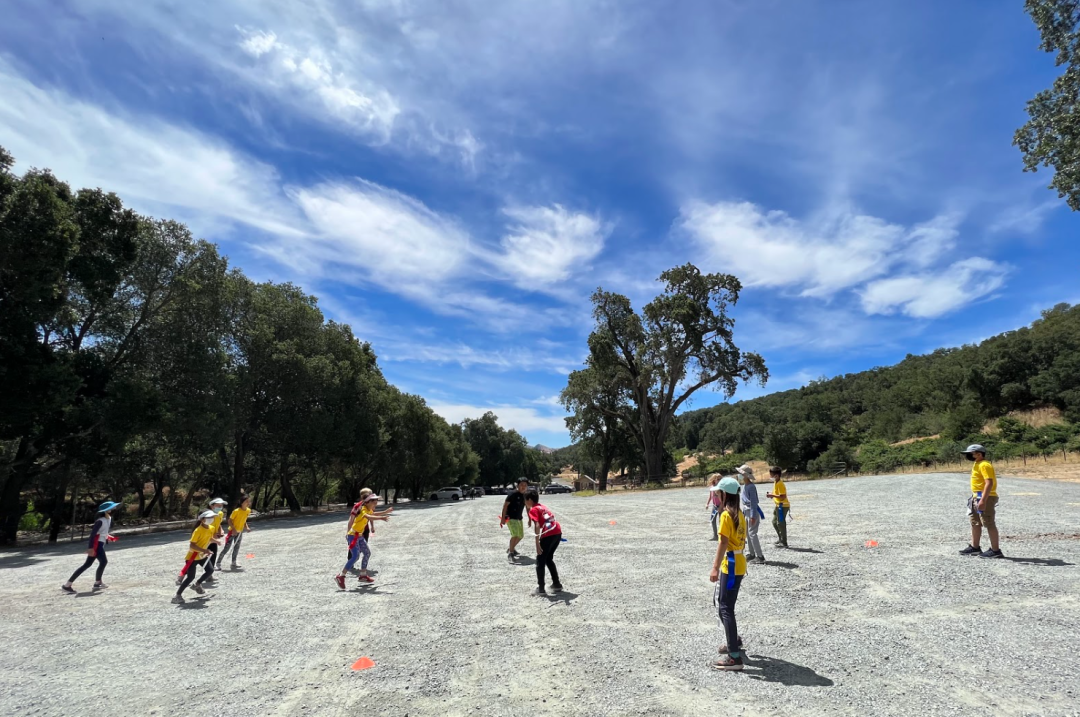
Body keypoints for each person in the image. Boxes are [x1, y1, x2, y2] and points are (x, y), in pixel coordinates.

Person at [709, 476, 748, 671]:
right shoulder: (739, 514)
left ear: (725, 494)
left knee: (725, 607)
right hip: (739, 563)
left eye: (718, 492)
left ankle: (734, 657)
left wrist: (715, 566)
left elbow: (723, 542)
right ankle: (734, 640)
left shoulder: (726, 515)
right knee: (726, 606)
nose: (717, 495)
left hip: (731, 565)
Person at [61, 501, 120, 593]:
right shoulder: (100, 521)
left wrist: (108, 537)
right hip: (97, 545)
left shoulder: (108, 519)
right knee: (103, 562)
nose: (115, 509)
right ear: (107, 511)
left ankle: (68, 585)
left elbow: (102, 533)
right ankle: (97, 583)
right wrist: (91, 548)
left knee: (88, 564)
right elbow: (93, 535)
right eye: (112, 508)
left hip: (99, 544)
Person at [335, 494, 391, 590]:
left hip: (359, 536)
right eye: (374, 503)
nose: (375, 505)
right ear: (368, 502)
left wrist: (385, 512)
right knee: (355, 556)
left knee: (367, 553)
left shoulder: (369, 509)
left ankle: (363, 575)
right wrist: (382, 518)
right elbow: (368, 516)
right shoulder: (363, 509)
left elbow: (373, 514)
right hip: (352, 536)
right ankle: (340, 576)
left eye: (376, 503)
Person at [960, 444, 1003, 558]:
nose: (968, 456)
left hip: (985, 497)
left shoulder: (985, 465)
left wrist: (983, 500)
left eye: (971, 454)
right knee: (975, 522)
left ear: (979, 454)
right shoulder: (977, 463)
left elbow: (989, 482)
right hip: (977, 496)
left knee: (989, 523)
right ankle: (975, 548)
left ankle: (995, 551)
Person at [173, 510, 217, 604]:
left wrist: (216, 541)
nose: (211, 519)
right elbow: (192, 545)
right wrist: (205, 550)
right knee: (190, 577)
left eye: (212, 517)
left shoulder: (211, 528)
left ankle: (197, 585)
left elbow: (208, 537)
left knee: (210, 570)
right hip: (192, 557)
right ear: (202, 519)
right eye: (208, 517)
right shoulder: (197, 530)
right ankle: (177, 595)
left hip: (202, 555)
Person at [525, 491, 563, 595]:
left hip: (549, 534)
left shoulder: (533, 509)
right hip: (557, 531)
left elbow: (537, 525)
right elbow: (548, 520)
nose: (525, 503)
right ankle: (556, 584)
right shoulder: (542, 507)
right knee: (548, 558)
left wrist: (537, 543)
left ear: (529, 500)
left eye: (526, 500)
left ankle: (541, 588)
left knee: (540, 560)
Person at [736, 465, 766, 564]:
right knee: (748, 534)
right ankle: (751, 553)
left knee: (752, 534)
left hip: (751, 512)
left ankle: (760, 556)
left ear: (745, 475)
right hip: (747, 512)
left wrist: (753, 516)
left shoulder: (751, 487)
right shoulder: (745, 485)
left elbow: (753, 502)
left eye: (741, 474)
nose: (739, 476)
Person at [218, 495, 253, 570]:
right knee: (227, 548)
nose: (248, 503)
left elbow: (244, 520)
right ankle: (218, 563)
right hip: (232, 532)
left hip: (240, 532)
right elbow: (229, 520)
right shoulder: (236, 511)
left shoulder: (248, 511)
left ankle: (234, 562)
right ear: (241, 502)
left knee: (236, 547)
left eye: (248, 501)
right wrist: (233, 529)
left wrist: (246, 527)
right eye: (246, 501)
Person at [501, 479, 530, 562]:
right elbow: (505, 506)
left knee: (520, 535)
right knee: (515, 534)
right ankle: (511, 553)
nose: (523, 487)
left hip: (519, 518)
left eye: (525, 485)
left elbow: (528, 508)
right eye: (521, 485)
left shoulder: (525, 496)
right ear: (518, 485)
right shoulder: (512, 494)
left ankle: (511, 547)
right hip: (510, 518)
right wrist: (503, 518)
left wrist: (530, 518)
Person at [766, 467, 789, 548]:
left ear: (776, 475)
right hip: (778, 505)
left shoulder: (780, 484)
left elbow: (783, 496)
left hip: (783, 506)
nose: (770, 476)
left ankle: (784, 542)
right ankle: (780, 539)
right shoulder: (776, 482)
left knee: (781, 523)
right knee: (774, 522)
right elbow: (777, 494)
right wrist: (772, 494)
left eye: (771, 474)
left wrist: (772, 495)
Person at [706, 474, 723, 541]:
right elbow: (710, 496)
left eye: (720, 479)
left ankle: (722, 535)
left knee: (721, 521)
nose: (719, 480)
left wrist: (721, 507)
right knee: (713, 520)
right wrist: (707, 504)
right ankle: (715, 535)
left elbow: (723, 499)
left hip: (721, 506)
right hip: (714, 506)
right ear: (714, 479)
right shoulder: (712, 487)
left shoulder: (721, 488)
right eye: (718, 479)